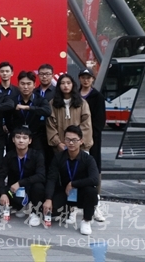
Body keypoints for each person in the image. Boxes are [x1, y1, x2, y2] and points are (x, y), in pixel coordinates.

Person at [43, 125, 99, 236]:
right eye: (68, 140)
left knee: (91, 192)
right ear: (64, 140)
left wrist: (74, 184)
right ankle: (68, 211)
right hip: (66, 192)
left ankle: (86, 220)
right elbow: (51, 179)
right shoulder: (59, 157)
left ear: (81, 141)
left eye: (74, 140)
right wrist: (48, 199)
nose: (71, 143)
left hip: (82, 193)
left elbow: (95, 179)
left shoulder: (88, 159)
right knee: (48, 210)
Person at [0, 126, 45, 227]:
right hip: (14, 190)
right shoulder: (9, 156)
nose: (21, 140)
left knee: (39, 187)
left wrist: (20, 183)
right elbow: (0, 176)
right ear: (13, 139)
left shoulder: (37, 155)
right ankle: (15, 206)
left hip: (30, 189)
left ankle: (35, 213)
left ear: (30, 141)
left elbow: (41, 176)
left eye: (25, 138)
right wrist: (3, 193)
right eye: (18, 137)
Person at [79, 68, 107, 223]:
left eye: (88, 78)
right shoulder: (74, 95)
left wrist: (87, 138)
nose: (86, 80)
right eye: (83, 77)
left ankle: (96, 205)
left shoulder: (97, 96)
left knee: (94, 170)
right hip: (74, 141)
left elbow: (99, 121)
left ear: (92, 79)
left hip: (92, 141)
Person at [47, 74, 93, 153]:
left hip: (80, 146)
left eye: (68, 83)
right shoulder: (52, 103)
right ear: (59, 86)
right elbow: (50, 125)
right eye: (62, 83)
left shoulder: (82, 103)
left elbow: (86, 124)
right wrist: (58, 143)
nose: (66, 85)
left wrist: (77, 142)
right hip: (61, 146)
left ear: (73, 85)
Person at [7, 71, 51, 153]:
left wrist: (28, 108)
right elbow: (7, 117)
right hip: (17, 137)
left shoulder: (40, 100)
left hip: (35, 137)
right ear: (18, 85)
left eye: (28, 84)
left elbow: (47, 111)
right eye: (22, 84)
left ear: (34, 85)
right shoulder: (12, 99)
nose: (25, 87)